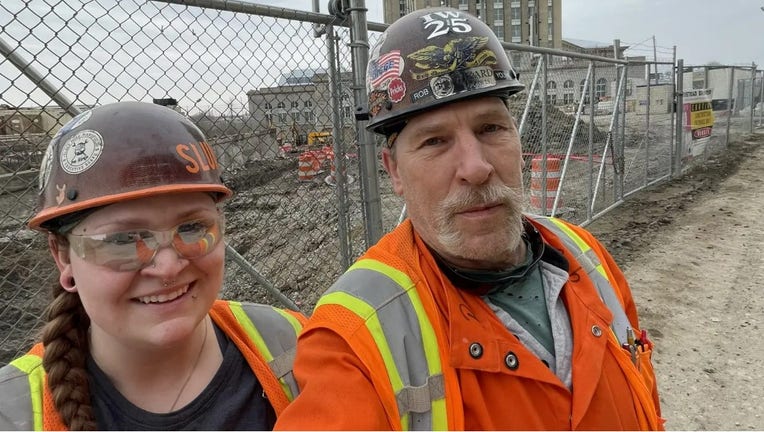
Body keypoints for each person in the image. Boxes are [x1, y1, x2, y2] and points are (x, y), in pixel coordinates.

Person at [275, 7, 663, 431]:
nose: (476, 168)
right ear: (395, 171)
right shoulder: (353, 338)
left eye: (491, 129)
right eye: (436, 141)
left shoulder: (586, 254)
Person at [0, 101, 306, 430]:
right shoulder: (13, 412)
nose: (168, 266)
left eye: (191, 228)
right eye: (123, 239)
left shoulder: (291, 340)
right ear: (63, 256)